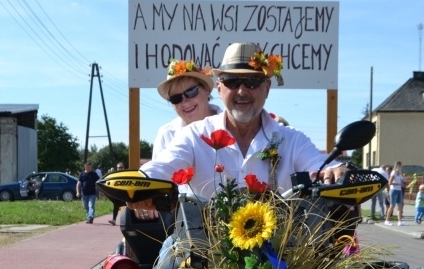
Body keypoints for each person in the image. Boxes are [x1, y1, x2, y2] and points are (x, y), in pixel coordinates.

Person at [130, 42, 349, 210]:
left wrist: (336, 171)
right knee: (166, 263)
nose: (242, 91)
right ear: (219, 88)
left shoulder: (292, 140)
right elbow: (162, 167)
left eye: (252, 82)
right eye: (232, 82)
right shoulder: (194, 135)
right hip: (205, 255)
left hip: (282, 258)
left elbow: (319, 166)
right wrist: (138, 185)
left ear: (267, 88)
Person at [152, 59, 222, 159]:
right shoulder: (166, 135)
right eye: (176, 98)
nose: (185, 102)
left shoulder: (231, 126)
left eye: (191, 92)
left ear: (206, 89)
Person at [384, 161, 406, 226]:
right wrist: (399, 184)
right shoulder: (394, 172)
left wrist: (404, 182)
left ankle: (399, 221)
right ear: (397, 166)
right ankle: (387, 220)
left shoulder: (399, 173)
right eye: (400, 166)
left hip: (399, 190)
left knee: (400, 206)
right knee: (392, 206)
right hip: (393, 190)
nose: (401, 167)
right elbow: (389, 182)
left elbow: (402, 180)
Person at [107, 161, 126, 225]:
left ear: (123, 168)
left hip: (125, 194)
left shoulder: (126, 175)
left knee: (128, 207)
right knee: (115, 206)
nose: (119, 169)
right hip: (117, 194)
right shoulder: (114, 175)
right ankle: (114, 220)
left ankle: (129, 220)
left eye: (121, 167)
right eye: (118, 168)